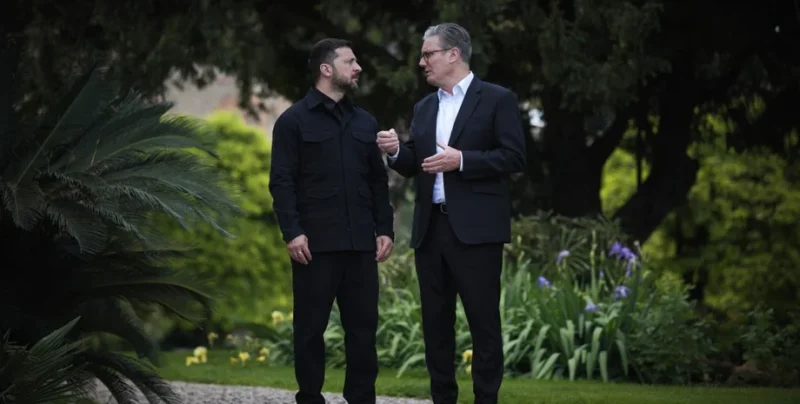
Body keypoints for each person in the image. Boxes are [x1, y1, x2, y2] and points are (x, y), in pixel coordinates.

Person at [376, 23, 526, 404]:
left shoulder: (497, 99)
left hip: (477, 233)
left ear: (453, 54)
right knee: (436, 327)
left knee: (484, 325)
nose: (421, 62)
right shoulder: (425, 107)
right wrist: (395, 151)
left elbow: (514, 157)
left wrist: (462, 161)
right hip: (431, 231)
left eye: (428, 54)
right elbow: (415, 160)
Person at [269, 38, 395, 404]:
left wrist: (385, 229)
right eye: (350, 62)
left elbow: (377, 181)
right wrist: (292, 232)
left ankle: (361, 399)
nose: (358, 68)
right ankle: (310, 398)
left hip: (360, 245)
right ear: (326, 69)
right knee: (310, 330)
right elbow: (281, 182)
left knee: (363, 332)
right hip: (315, 246)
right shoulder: (292, 121)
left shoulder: (365, 121)